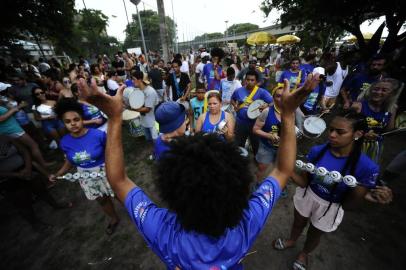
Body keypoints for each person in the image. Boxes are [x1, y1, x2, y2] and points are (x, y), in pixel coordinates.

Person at [74, 71, 318, 269]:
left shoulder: (165, 232)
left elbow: (117, 180)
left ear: (173, 196)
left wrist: (114, 118)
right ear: (239, 192)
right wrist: (288, 114)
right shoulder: (247, 223)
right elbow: (284, 171)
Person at [273, 110, 379, 270]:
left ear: (357, 134)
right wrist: (286, 170)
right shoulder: (317, 151)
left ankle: (304, 253)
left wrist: (365, 194)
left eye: (340, 132)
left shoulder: (367, 168)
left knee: (315, 233)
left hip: (332, 206)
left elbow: (350, 205)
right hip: (308, 195)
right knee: (298, 222)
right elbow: (303, 182)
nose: (332, 135)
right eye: (331, 129)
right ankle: (292, 240)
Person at [50, 98, 120, 235]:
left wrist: (116, 170)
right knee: (102, 200)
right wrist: (58, 174)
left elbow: (113, 153)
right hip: (86, 177)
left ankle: (136, 215)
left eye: (76, 119)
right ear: (63, 123)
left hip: (107, 171)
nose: (73, 124)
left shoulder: (99, 135)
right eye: (68, 122)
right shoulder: (64, 142)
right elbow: (69, 161)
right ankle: (114, 219)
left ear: (82, 118)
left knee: (120, 195)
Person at [0, 136, 71, 231]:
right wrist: (16, 175)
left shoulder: (5, 137)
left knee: (39, 186)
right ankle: (35, 223)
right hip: (7, 178)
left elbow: (24, 151)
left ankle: (55, 205)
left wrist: (28, 168)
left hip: (25, 168)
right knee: (21, 199)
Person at [351, 78, 401, 163]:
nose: (378, 92)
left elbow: (388, 131)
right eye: (376, 89)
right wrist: (363, 135)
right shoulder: (358, 106)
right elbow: (345, 128)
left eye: (384, 90)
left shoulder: (391, 109)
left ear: (391, 94)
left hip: (374, 147)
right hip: (355, 144)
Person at [231, 70, 273, 155]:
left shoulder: (262, 92)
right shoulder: (238, 91)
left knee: (256, 144)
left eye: (252, 80)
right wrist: (235, 105)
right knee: (239, 144)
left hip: (255, 124)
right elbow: (232, 99)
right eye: (248, 79)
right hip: (241, 123)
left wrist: (266, 106)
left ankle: (256, 160)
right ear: (245, 80)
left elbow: (272, 102)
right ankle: (240, 160)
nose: (249, 82)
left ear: (256, 81)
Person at [253, 84, 284, 179]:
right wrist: (269, 136)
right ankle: (257, 185)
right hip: (266, 147)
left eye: (284, 96)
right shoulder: (266, 111)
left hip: (283, 148)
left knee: (280, 170)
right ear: (273, 98)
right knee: (262, 168)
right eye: (278, 96)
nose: (281, 98)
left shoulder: (292, 112)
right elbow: (255, 129)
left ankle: (279, 188)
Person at [130, 71, 159, 142]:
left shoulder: (150, 91)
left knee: (156, 140)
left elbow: (147, 109)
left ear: (140, 80)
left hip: (153, 122)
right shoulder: (137, 90)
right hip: (144, 120)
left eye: (134, 79)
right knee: (148, 139)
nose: (132, 81)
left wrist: (132, 109)